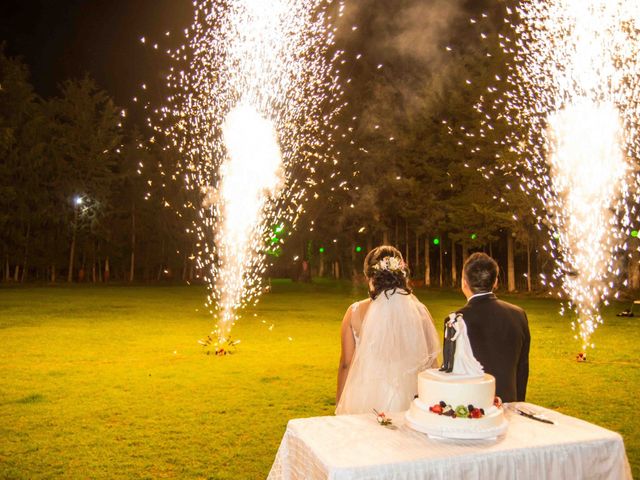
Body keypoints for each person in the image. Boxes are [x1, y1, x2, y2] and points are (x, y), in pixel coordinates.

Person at [335, 246, 440, 415]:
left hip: (366, 396)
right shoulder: (419, 311)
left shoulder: (355, 312)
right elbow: (431, 363)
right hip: (410, 397)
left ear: (370, 276)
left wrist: (340, 403)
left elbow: (346, 364)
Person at [456, 252, 530, 402]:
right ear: (495, 281)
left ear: (464, 281)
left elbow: (453, 372)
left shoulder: (457, 319)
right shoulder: (518, 315)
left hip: (473, 408)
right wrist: (518, 404)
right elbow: (522, 369)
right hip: (510, 403)